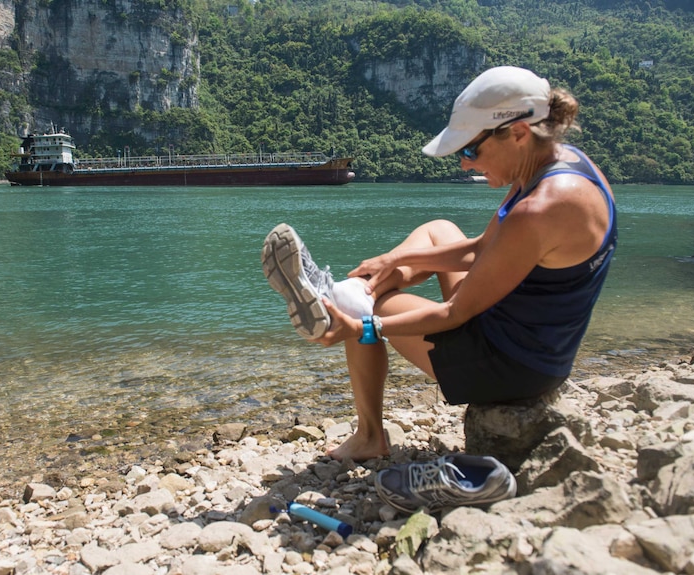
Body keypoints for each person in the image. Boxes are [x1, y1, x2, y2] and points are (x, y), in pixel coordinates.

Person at [261, 66, 616, 512]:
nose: (465, 162)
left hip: (511, 366)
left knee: (373, 303)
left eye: (471, 148)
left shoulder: (542, 208)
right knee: (437, 230)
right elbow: (482, 249)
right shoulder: (560, 165)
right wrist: (396, 259)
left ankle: (353, 358)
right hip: (535, 342)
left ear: (519, 131)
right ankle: (337, 295)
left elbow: (454, 315)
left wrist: (364, 327)